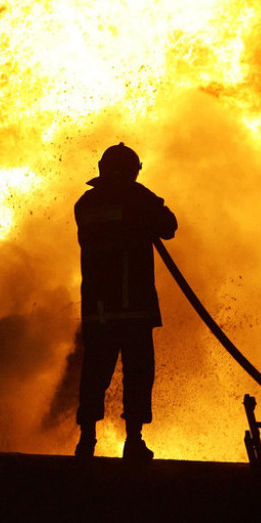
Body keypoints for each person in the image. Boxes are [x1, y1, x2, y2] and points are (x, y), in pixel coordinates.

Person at [74, 142, 178, 461]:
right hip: (134, 308)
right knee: (138, 373)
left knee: (94, 373)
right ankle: (133, 441)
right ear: (133, 170)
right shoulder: (137, 197)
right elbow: (169, 226)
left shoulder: (85, 203)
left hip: (98, 310)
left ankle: (87, 440)